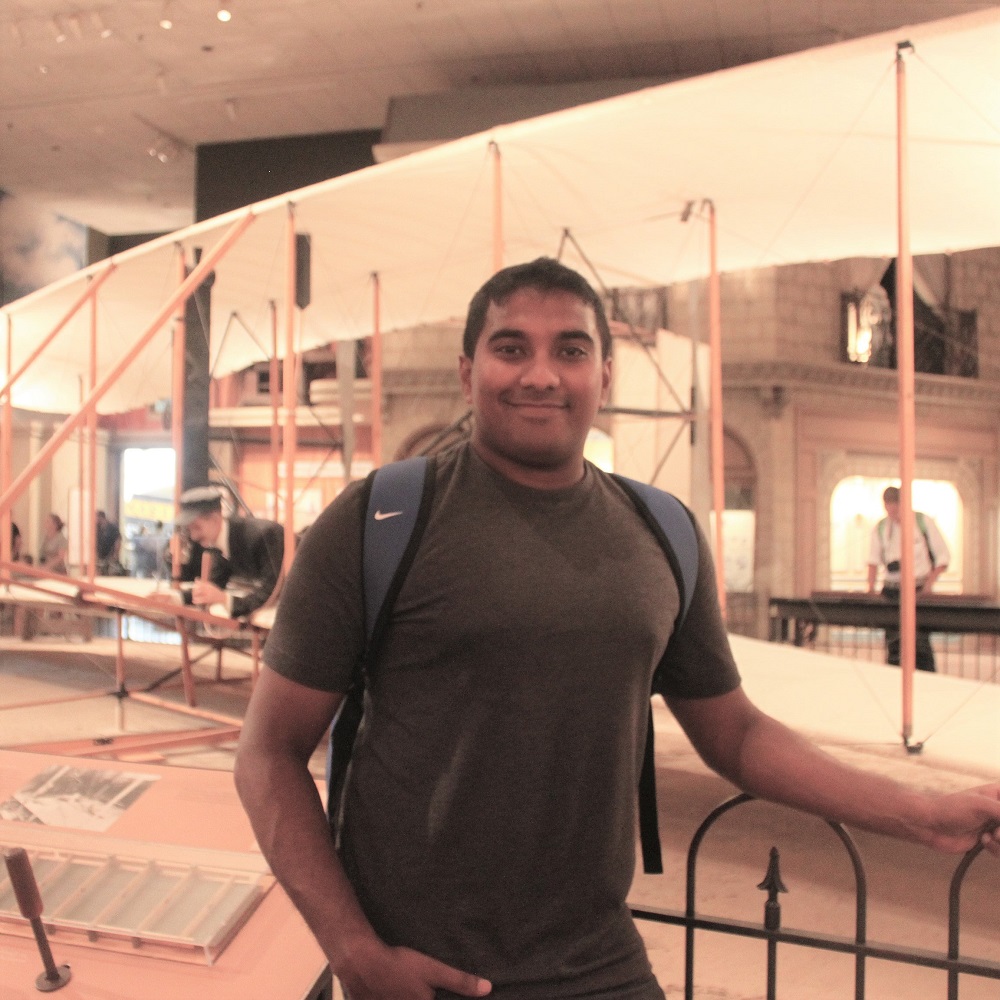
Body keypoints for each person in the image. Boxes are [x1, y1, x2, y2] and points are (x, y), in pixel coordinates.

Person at [234, 258, 1000, 1000]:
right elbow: (268, 752)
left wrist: (924, 815)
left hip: (599, 962)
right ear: (467, 372)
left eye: (570, 350)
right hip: (420, 969)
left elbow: (734, 735)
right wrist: (355, 952)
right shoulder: (381, 518)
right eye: (511, 348)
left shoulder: (660, 531)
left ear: (605, 376)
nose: (541, 374)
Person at [867, 485, 951, 672]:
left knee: (920, 640)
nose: (893, 513)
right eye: (888, 508)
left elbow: (943, 556)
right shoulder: (881, 528)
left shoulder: (922, 522)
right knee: (893, 640)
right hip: (891, 590)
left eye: (895, 508)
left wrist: (929, 583)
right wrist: (871, 589)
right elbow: (872, 560)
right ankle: (893, 675)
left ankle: (927, 677)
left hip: (918, 589)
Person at [174, 486, 284, 618]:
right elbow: (215, 585)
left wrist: (225, 600)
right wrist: (175, 598)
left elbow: (273, 590)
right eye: (190, 530)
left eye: (197, 528)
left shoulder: (264, 535)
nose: (193, 537)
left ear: (215, 519)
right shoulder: (219, 542)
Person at [95, 510, 123, 575]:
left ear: (101, 517)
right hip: (100, 555)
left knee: (111, 571)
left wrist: (115, 554)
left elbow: (118, 541)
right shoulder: (97, 528)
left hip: (110, 555)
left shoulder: (112, 528)